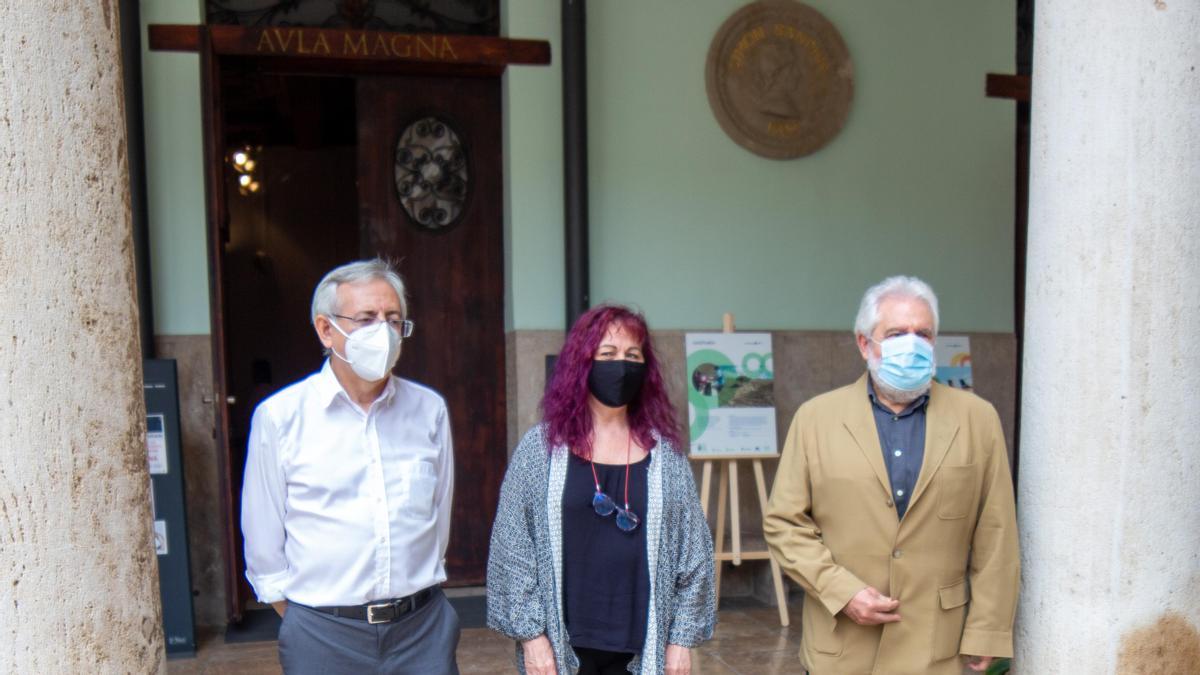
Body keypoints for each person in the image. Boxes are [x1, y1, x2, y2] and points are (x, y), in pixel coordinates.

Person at [764, 276, 1019, 675]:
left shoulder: (977, 419)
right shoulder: (816, 419)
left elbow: (997, 533)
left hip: (937, 646)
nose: (913, 344)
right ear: (865, 343)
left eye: (924, 334)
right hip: (843, 644)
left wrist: (988, 628)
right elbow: (784, 524)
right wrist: (842, 591)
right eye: (898, 333)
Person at [241, 259, 459, 674]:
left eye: (394, 319)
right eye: (366, 318)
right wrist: (309, 620)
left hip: (421, 631)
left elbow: (438, 518)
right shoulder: (281, 417)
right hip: (323, 635)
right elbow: (264, 539)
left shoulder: (429, 410)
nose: (384, 331)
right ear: (326, 329)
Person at [487, 304, 716, 675]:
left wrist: (680, 640)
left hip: (643, 647)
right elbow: (512, 547)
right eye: (607, 354)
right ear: (582, 363)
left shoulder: (666, 457)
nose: (620, 366)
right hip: (564, 649)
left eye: (632, 355)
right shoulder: (541, 449)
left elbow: (694, 553)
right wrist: (532, 637)